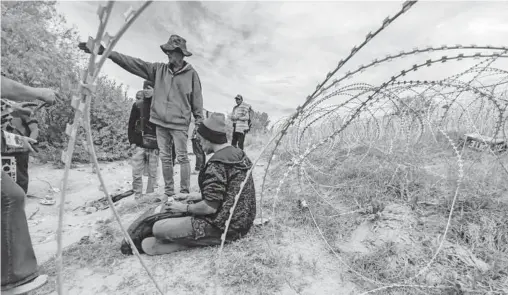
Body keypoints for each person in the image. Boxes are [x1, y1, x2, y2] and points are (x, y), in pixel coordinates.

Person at [78, 34, 204, 201]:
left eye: (171, 52)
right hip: (160, 122)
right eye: (167, 51)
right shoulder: (159, 70)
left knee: (182, 157)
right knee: (165, 158)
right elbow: (134, 64)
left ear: (181, 53)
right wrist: (107, 53)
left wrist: (199, 122)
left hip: (180, 124)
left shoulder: (192, 75)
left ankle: (185, 192)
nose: (168, 55)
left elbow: (197, 99)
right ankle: (169, 192)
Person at [140, 113, 256, 255]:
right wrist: (194, 196)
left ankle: (190, 242)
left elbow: (209, 208)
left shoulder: (217, 164)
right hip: (243, 222)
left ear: (208, 138)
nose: (199, 143)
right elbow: (227, 193)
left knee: (158, 228)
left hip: (225, 227)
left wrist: (184, 207)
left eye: (200, 139)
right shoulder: (239, 154)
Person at [1, 75, 58, 294]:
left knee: (15, 190)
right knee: (10, 196)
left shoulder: (25, 113)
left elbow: (31, 130)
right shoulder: (13, 108)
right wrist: (38, 92)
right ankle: (12, 278)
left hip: (17, 151)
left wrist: (20, 141)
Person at [128, 86, 160, 199]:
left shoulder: (160, 105)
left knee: (152, 173)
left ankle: (149, 196)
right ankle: (138, 196)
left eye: (149, 88)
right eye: (144, 88)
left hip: (155, 145)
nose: (146, 90)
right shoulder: (138, 105)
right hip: (139, 144)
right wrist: (132, 141)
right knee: (136, 173)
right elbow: (131, 124)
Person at [3, 103, 39, 194]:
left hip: (20, 149)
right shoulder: (3, 110)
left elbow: (34, 129)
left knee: (21, 175)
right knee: (5, 174)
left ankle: (22, 195)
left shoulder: (23, 111)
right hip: (5, 149)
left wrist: (29, 143)